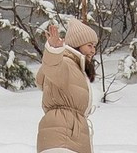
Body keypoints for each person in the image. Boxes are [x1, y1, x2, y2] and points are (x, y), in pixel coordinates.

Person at [35, 16, 97, 153]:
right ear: (77, 44)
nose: (93, 50)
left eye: (94, 46)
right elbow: (51, 67)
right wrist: (53, 50)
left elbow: (42, 79)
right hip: (62, 137)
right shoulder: (66, 62)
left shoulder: (76, 67)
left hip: (68, 137)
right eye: (89, 45)